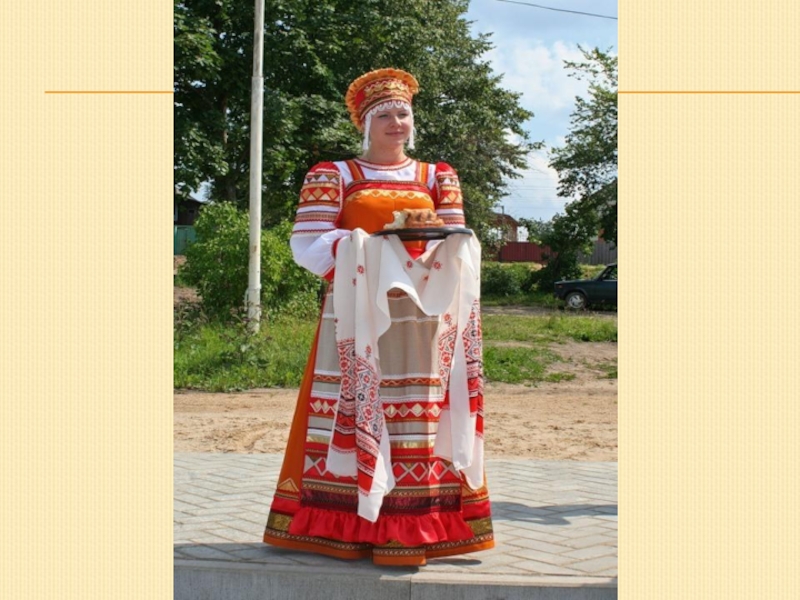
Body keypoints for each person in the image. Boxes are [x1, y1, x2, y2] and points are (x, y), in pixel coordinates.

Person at [262, 68, 493, 566]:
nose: (396, 123)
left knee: (419, 411)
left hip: (424, 318)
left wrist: (417, 250)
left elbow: (456, 244)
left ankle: (411, 529)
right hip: (357, 311)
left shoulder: (437, 176)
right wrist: (369, 248)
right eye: (384, 115)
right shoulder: (334, 175)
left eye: (403, 114)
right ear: (365, 124)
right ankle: (345, 527)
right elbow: (307, 245)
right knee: (352, 403)